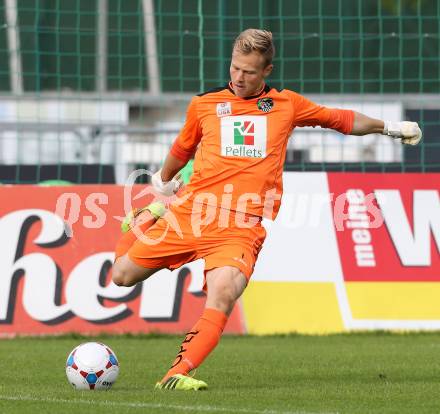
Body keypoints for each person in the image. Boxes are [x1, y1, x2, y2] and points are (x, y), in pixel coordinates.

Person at [112, 28, 422, 391]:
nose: (238, 78)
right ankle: (147, 219)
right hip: (190, 211)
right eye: (234, 68)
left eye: (249, 72)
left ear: (267, 71)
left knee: (224, 292)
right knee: (121, 276)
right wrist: (162, 185)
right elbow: (183, 147)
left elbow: (340, 120)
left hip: (240, 224)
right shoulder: (204, 104)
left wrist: (390, 128)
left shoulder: (287, 105)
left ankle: (175, 375)